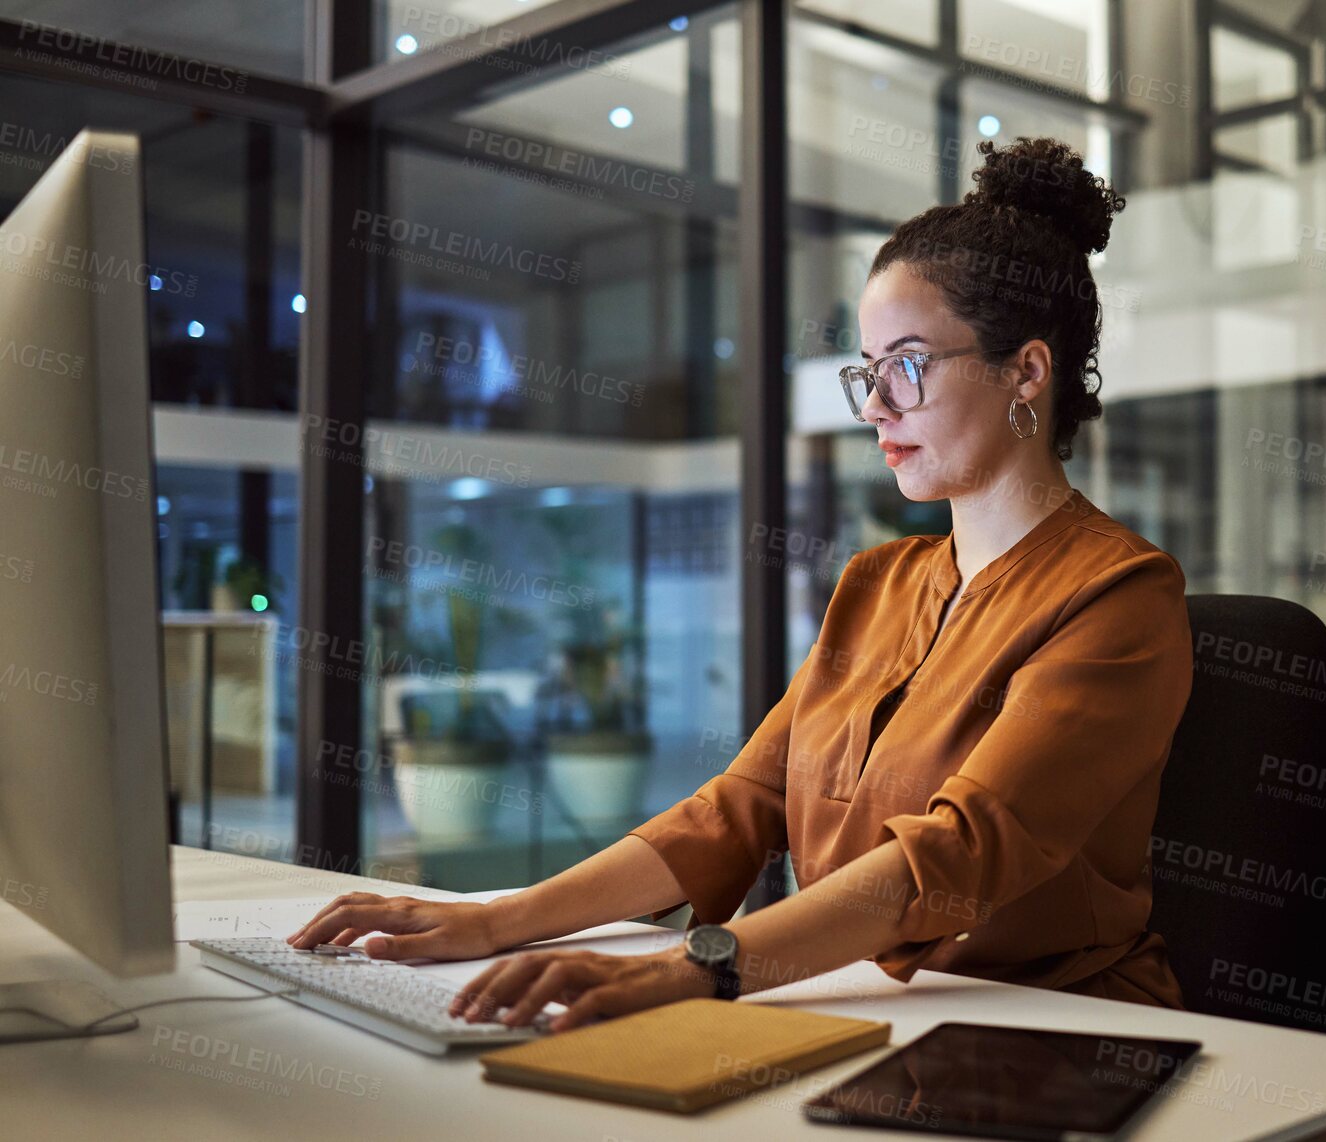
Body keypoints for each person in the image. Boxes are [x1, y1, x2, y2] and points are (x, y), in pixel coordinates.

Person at [289, 136, 1195, 1033]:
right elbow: (742, 806)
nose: (877, 405)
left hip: (1048, 1035)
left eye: (909, 366)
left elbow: (955, 858)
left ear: (1025, 372)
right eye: (869, 373)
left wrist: (703, 968)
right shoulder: (877, 582)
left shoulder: (1121, 597)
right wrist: (498, 920)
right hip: (862, 1002)